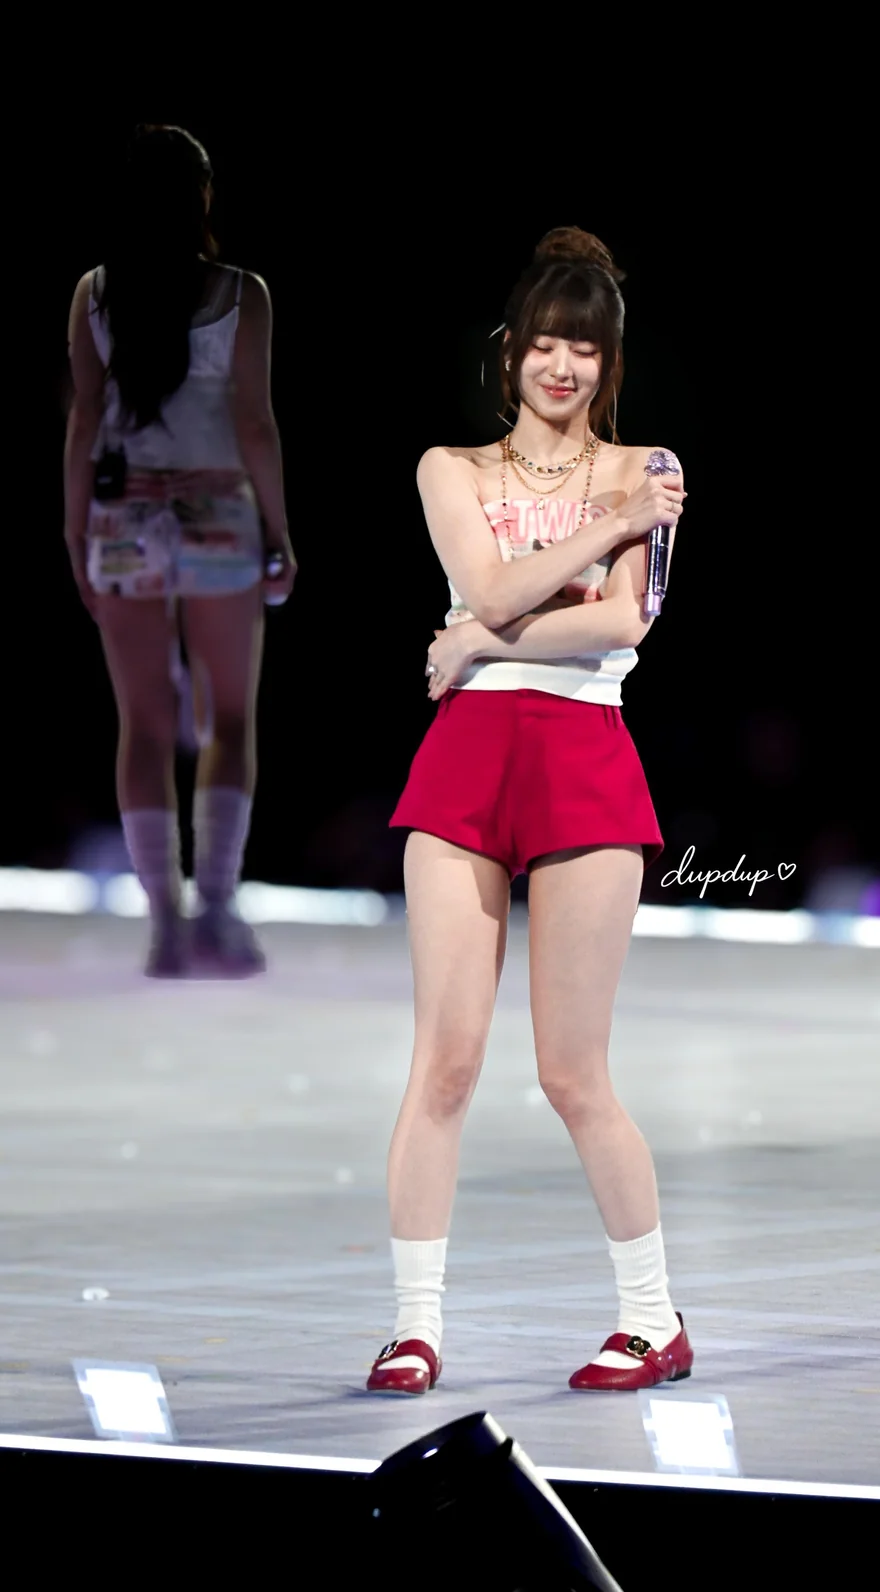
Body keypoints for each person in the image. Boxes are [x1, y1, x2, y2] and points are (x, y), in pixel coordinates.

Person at [367, 227, 692, 1395]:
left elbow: (622, 623)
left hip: (583, 757)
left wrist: (476, 641)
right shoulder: (450, 467)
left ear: (611, 362)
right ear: (510, 351)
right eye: (547, 343)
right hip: (465, 764)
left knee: (572, 1071)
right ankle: (413, 1327)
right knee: (444, 1063)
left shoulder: (648, 468)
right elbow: (495, 582)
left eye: (586, 348)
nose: (563, 365)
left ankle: (652, 1319)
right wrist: (594, 537)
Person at [63, 124, 296, 977]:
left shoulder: (95, 293)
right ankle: (218, 911)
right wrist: (278, 531)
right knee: (229, 719)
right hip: (217, 515)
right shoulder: (241, 294)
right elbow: (255, 423)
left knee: (144, 724)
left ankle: (165, 924)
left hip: (122, 522)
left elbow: (84, 421)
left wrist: (75, 529)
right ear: (202, 198)